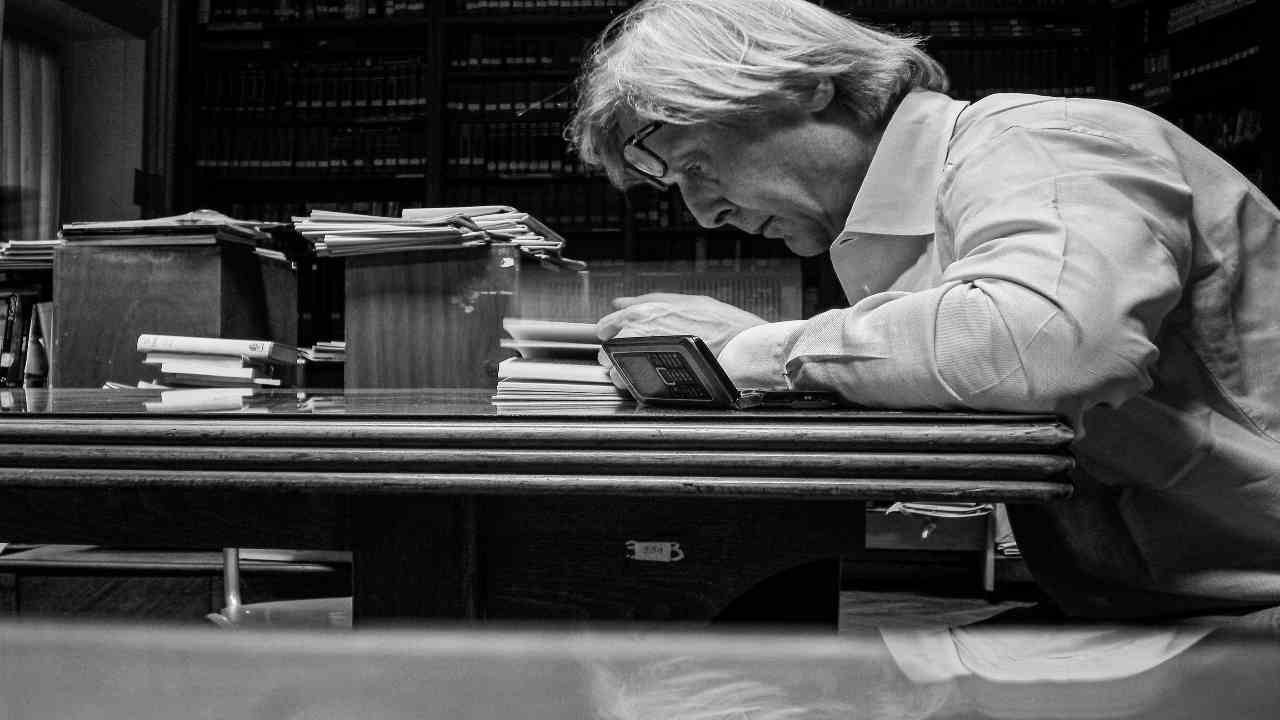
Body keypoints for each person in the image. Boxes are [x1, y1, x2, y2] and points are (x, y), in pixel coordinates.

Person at [567, 0, 1280, 620]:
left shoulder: (1045, 142)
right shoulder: (903, 227)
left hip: (1241, 614)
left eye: (697, 165)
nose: (702, 213)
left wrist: (747, 348)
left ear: (808, 86)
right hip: (1139, 604)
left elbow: (1050, 348)